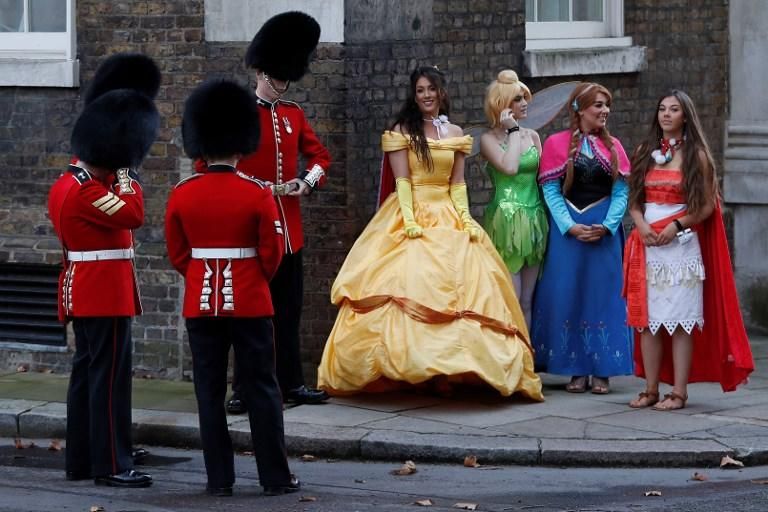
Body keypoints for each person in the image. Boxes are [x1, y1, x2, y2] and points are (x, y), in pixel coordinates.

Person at [316, 66, 543, 400]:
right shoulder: (402, 130)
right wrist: (409, 220)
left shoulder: (454, 131)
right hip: (412, 211)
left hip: (449, 213)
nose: (426, 95)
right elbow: (403, 181)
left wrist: (465, 218)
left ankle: (456, 368)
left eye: (431, 89)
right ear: (414, 94)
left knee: (466, 289)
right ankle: (408, 370)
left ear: (441, 92)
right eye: (420, 90)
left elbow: (458, 182)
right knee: (410, 284)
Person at [165, 79, 300, 496]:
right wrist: (252, 278)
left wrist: (203, 273)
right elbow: (273, 252)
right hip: (250, 300)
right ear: (241, 146)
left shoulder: (182, 194)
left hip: (200, 305)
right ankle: (275, 477)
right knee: (262, 389)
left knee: (209, 393)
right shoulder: (256, 193)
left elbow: (178, 254)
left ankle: (219, 479)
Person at [204, 11, 330, 412]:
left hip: (289, 227)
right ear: (261, 72)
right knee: (250, 314)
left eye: (287, 78)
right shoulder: (239, 114)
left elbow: (320, 156)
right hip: (251, 229)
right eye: (278, 78)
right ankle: (243, 388)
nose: (283, 85)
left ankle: (291, 384)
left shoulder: (292, 114)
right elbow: (210, 169)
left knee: (288, 311)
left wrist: (305, 183)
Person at [49, 80, 159, 486]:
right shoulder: (85, 192)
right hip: (103, 294)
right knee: (109, 382)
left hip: (89, 289)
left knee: (87, 378)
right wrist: (128, 171)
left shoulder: (68, 184)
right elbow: (132, 213)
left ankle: (82, 459)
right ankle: (112, 464)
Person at [624, 90, 754, 410]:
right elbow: (635, 200)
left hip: (681, 251)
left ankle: (678, 392)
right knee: (647, 320)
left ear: (686, 116)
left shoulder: (698, 156)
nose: (666, 114)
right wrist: (641, 225)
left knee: (681, 320)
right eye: (662, 109)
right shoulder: (644, 151)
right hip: (648, 247)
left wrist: (676, 226)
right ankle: (651, 388)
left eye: (674, 109)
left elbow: (707, 205)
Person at [531, 82, 633, 395]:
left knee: (603, 297)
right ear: (580, 109)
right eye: (598, 105)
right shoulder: (556, 143)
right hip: (569, 235)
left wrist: (608, 225)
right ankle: (574, 367)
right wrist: (569, 226)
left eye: (607, 105)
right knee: (568, 295)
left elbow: (621, 190)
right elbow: (549, 189)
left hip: (603, 233)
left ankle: (602, 370)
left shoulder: (614, 146)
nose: (604, 111)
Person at [479, 70, 547, 329]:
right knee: (511, 298)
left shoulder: (533, 136)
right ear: (502, 104)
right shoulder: (488, 139)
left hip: (534, 220)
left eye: (525, 98)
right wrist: (514, 131)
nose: (524, 103)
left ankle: (526, 360)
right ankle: (511, 360)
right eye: (518, 99)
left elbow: (542, 179)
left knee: (528, 301)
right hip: (506, 222)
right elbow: (509, 167)